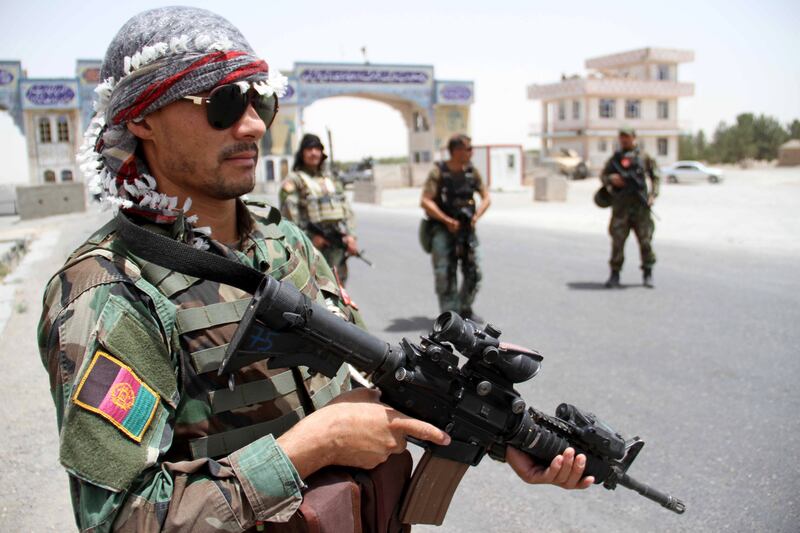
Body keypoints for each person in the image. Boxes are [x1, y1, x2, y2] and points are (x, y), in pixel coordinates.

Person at [38, 8, 590, 531]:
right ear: (142, 120)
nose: (253, 126)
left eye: (262, 102)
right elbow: (120, 519)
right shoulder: (111, 290)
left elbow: (367, 376)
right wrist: (310, 448)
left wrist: (499, 432)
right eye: (223, 103)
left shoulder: (284, 241)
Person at [420, 135, 490, 319]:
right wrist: (446, 221)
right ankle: (450, 316)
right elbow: (425, 201)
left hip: (467, 229)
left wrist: (476, 216)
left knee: (475, 272)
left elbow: (486, 198)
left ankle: (465, 308)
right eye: (468, 148)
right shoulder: (438, 172)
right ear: (457, 150)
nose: (471, 152)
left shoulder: (472, 172)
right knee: (445, 272)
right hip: (443, 229)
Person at [279, 134, 358, 286]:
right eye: (309, 149)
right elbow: (288, 217)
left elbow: (346, 208)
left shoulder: (331, 179)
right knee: (315, 290)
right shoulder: (295, 180)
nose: (314, 152)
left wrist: (351, 236)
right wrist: (309, 238)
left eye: (317, 149)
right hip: (309, 245)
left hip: (336, 241)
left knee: (339, 287)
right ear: (302, 153)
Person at [600, 127, 660, 288]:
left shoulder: (644, 157)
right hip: (621, 208)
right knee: (617, 242)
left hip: (640, 207)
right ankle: (615, 274)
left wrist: (653, 195)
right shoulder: (615, 159)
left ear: (634, 137)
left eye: (627, 137)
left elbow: (656, 176)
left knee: (645, 241)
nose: (624, 140)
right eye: (622, 137)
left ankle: (648, 273)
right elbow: (603, 176)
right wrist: (611, 179)